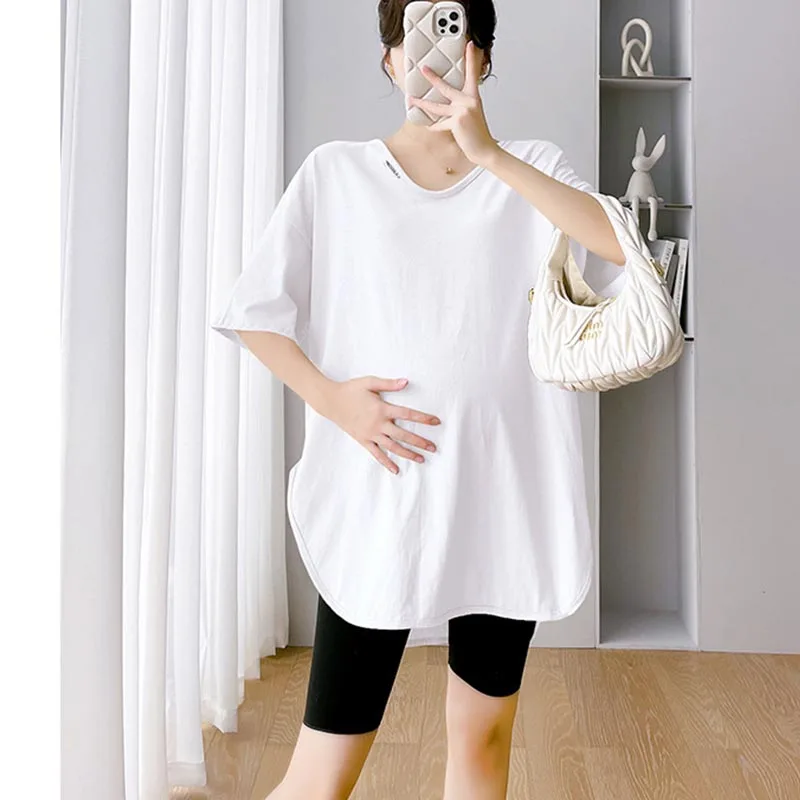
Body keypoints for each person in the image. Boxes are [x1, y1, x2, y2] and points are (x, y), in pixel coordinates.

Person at [210, 1, 626, 797]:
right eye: (415, 38)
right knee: (323, 770)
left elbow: (617, 250)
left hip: (501, 500)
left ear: (483, 58)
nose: (433, 56)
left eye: (454, 35)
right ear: (390, 60)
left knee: (483, 742)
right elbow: (254, 312)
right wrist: (334, 401)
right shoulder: (335, 175)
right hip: (382, 502)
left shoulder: (530, 167)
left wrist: (488, 153)